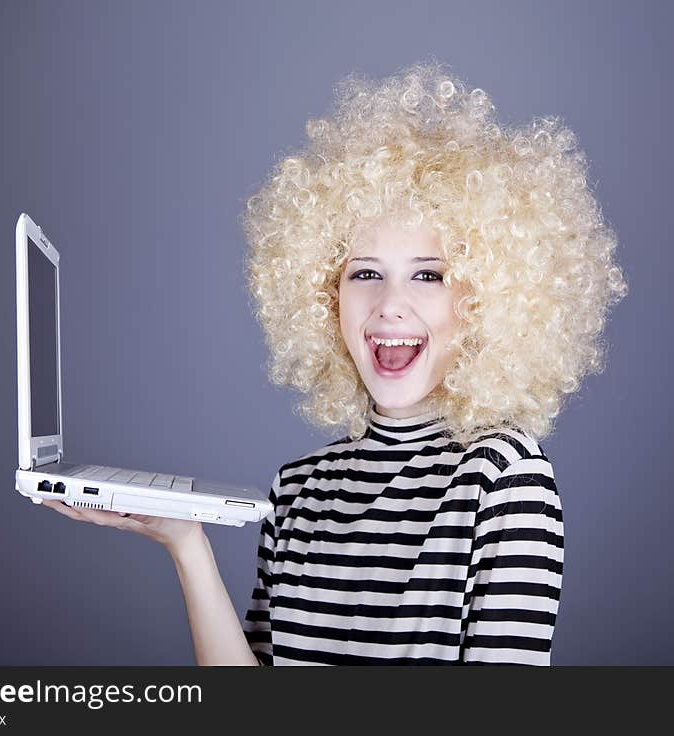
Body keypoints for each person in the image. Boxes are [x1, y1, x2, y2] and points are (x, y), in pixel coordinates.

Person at [44, 61, 628, 666]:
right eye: (365, 273)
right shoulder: (297, 489)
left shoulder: (503, 480)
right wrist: (186, 544)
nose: (390, 304)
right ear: (327, 295)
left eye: (429, 275)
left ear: (485, 301)